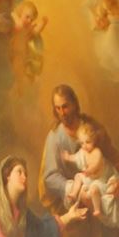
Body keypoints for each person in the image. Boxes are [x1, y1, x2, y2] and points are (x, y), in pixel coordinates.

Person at [39, 83, 82, 214]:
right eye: (58, 108)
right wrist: (69, 187)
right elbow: (50, 177)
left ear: (74, 104)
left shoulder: (89, 128)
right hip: (69, 200)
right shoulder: (55, 137)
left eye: (65, 107)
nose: (62, 113)